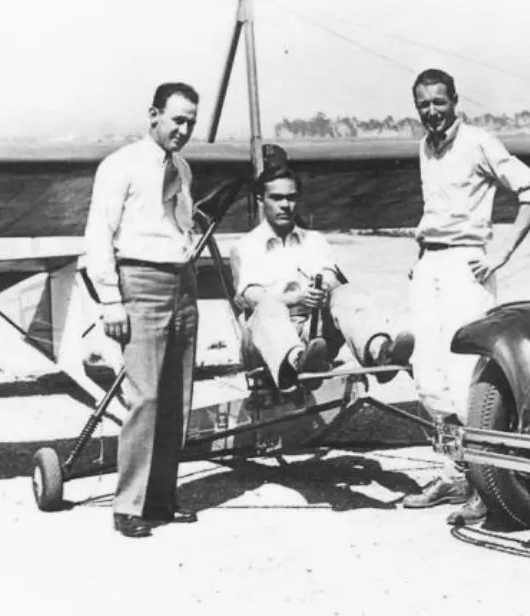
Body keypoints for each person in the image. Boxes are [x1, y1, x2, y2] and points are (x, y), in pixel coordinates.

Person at [402, 68, 530, 526]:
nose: (432, 111)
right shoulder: (425, 147)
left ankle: (488, 487)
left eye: (439, 102)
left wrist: (501, 252)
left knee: (468, 376)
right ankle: (455, 474)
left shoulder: (479, 142)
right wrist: (421, 260)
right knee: (427, 373)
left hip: (467, 266)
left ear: (455, 100)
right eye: (424, 104)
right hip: (430, 265)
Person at [84, 81, 202, 538]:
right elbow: (99, 233)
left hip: (182, 283)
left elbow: (180, 226)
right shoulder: (121, 165)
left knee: (177, 395)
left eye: (191, 121)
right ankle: (128, 504)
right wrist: (112, 299)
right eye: (177, 119)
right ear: (153, 114)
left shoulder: (183, 168)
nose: (184, 128)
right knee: (145, 397)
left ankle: (161, 498)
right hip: (141, 281)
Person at [230, 159, 414, 392]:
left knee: (345, 292)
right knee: (267, 307)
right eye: (276, 198)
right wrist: (298, 297)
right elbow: (253, 297)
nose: (285, 205)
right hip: (264, 340)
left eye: (291, 197)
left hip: (312, 334)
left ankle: (380, 351)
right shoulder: (245, 246)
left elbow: (331, 277)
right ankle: (297, 360)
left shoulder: (314, 240)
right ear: (260, 200)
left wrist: (324, 289)